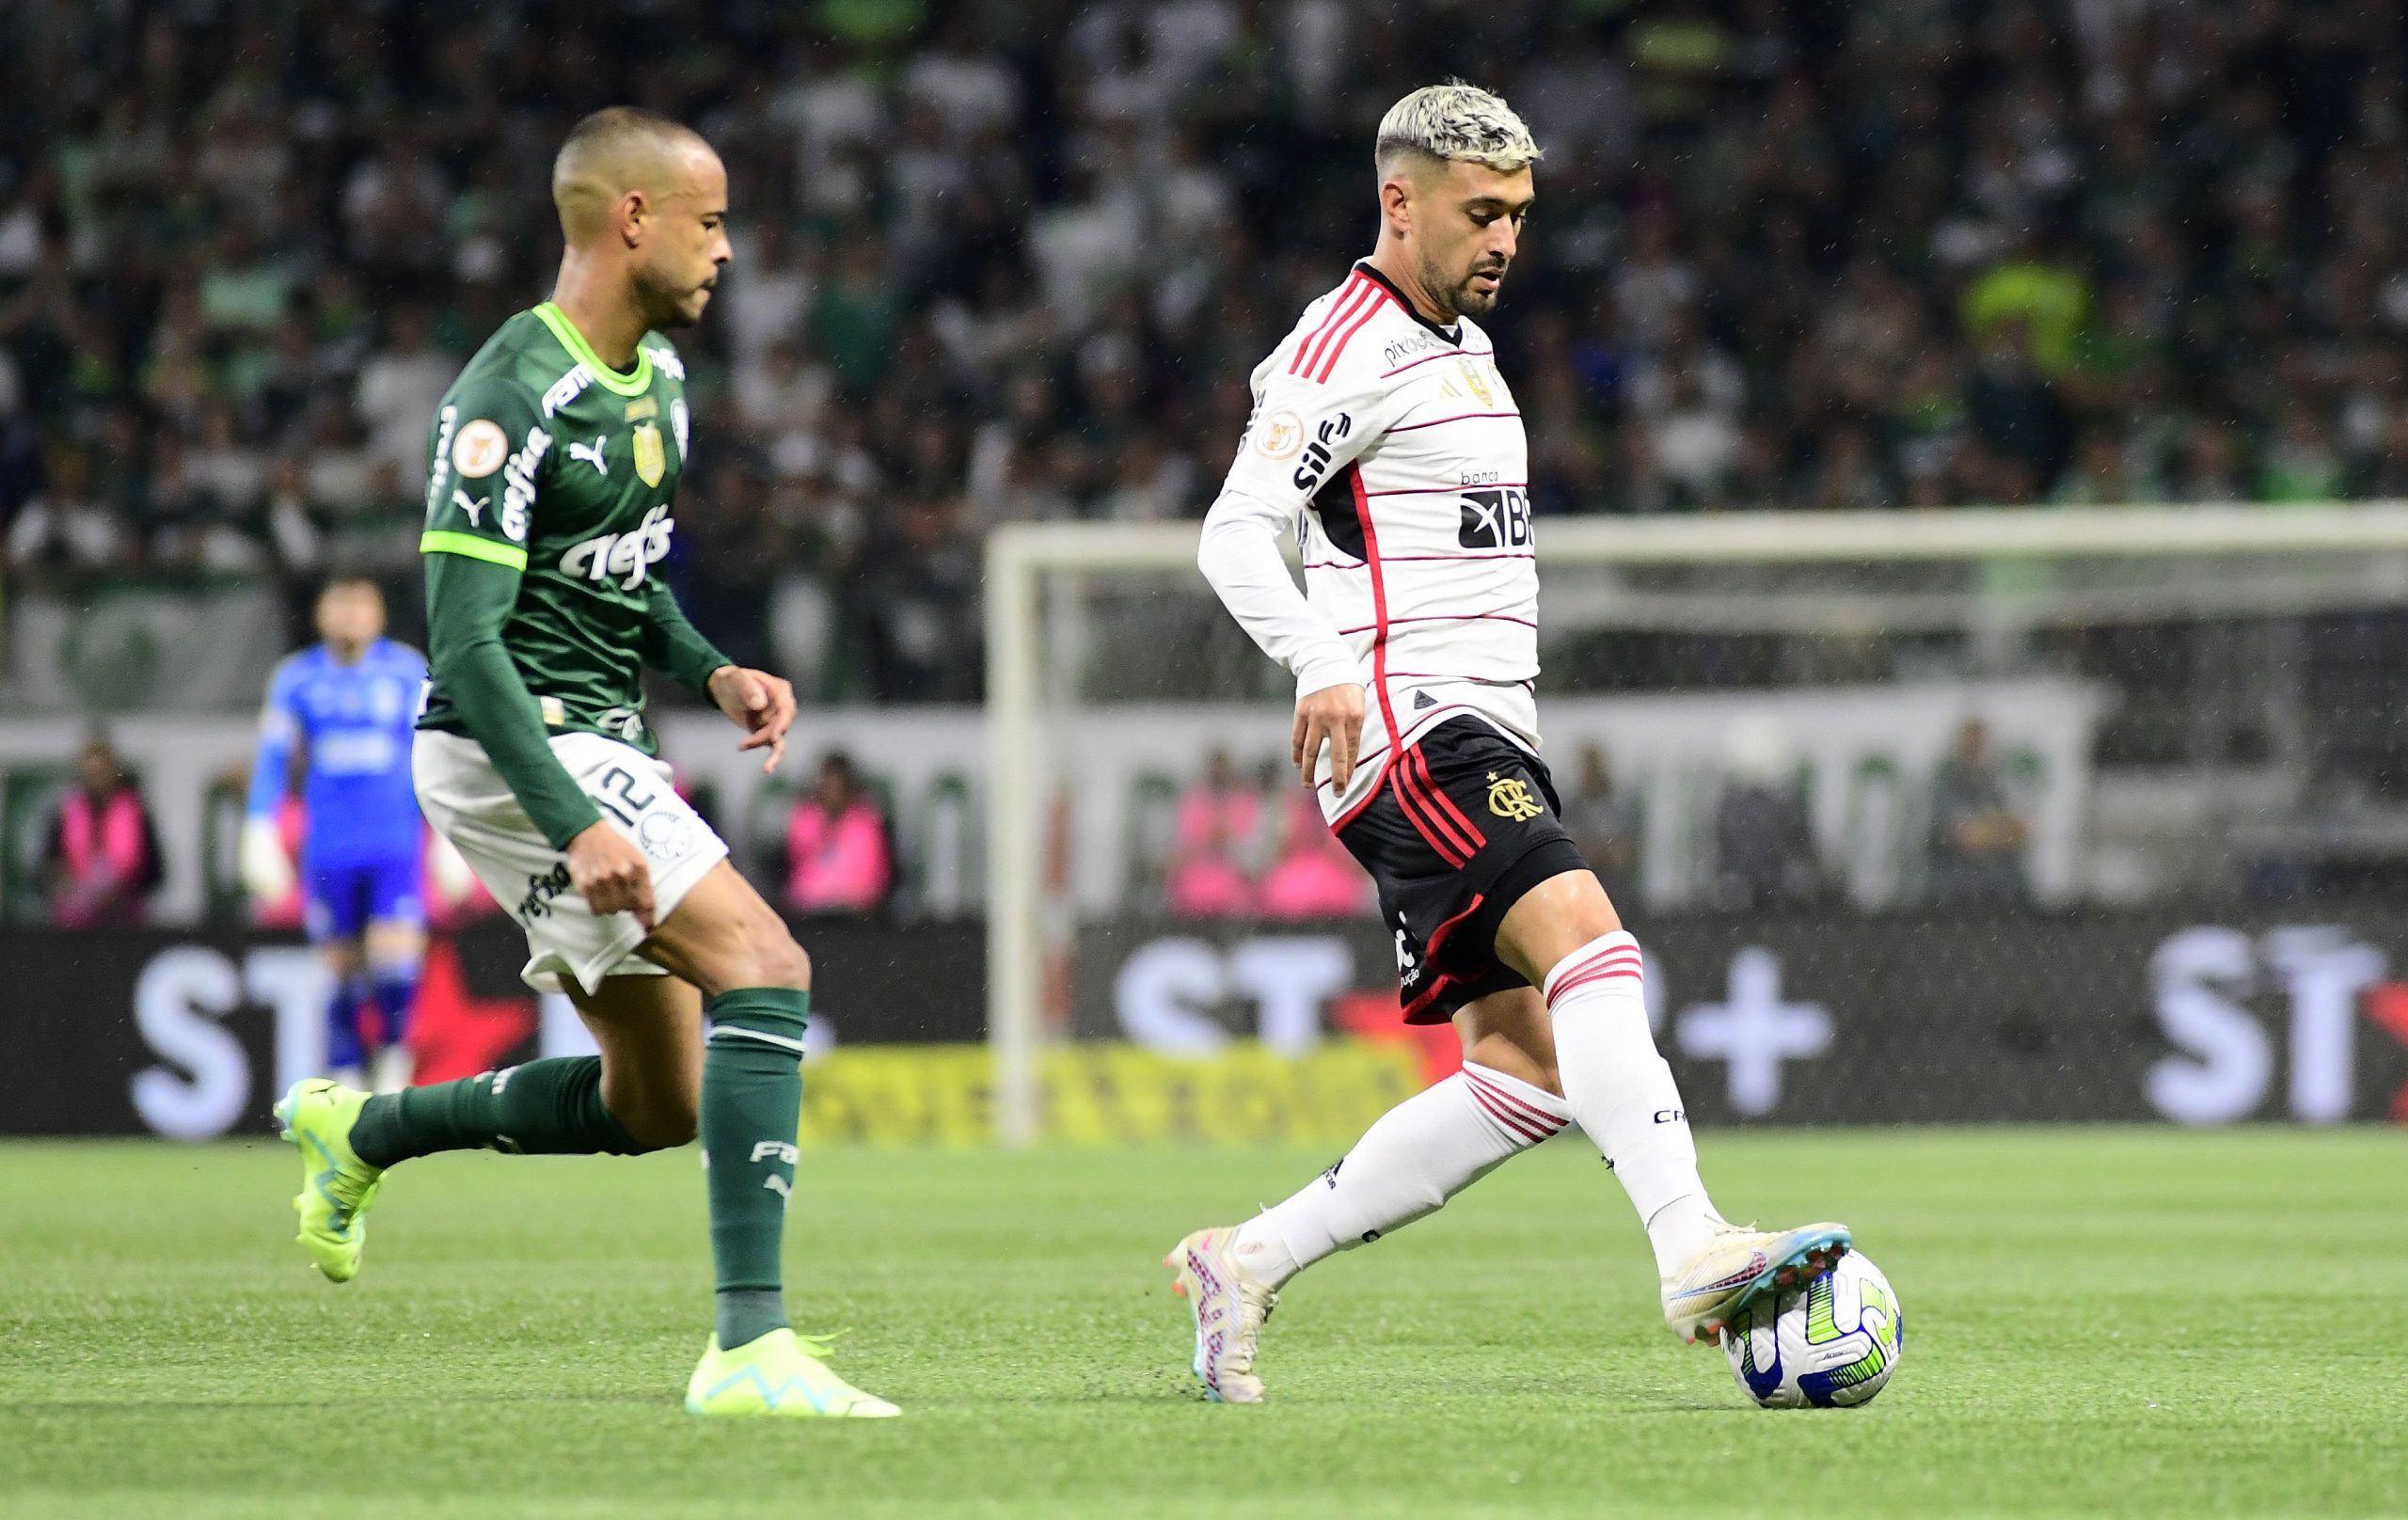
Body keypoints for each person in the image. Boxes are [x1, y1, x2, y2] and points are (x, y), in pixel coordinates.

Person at [1173, 83, 1848, 1404]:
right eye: (1480, 213)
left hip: (1478, 728)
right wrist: (1318, 659)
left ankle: (1242, 1261)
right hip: (1412, 725)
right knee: (1591, 942)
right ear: (1398, 202)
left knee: (1529, 1069)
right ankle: (1691, 1246)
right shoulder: (1341, 345)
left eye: (1521, 216)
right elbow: (1232, 526)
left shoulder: (1463, 346)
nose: (1505, 241)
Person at [270, 108, 895, 1419]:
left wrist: (712, 665)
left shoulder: (658, 378)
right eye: (711, 222)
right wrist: (574, 820)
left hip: (596, 735)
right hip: (514, 745)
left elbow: (623, 580)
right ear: (633, 220)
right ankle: (747, 1351)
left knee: (657, 1100)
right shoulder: (506, 397)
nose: (728, 251)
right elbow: (466, 641)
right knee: (767, 966)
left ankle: (363, 1133)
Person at [242, 578, 430, 1091]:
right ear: (321, 614)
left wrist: (452, 834)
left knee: (396, 960)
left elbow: (436, 754)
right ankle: (346, 1074)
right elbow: (274, 757)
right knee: (339, 968)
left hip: (395, 841)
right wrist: (259, 826)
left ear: (379, 614)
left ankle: (393, 1059)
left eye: (361, 605)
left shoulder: (407, 671)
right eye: (339, 606)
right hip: (329, 845)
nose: (350, 616)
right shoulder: (297, 679)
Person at [44, 735, 162, 927]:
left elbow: (155, 870)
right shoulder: (64, 811)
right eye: (92, 773)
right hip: (76, 908)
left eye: (102, 772)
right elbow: (48, 865)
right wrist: (64, 881)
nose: (97, 779)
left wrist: (125, 888)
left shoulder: (136, 811)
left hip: (126, 905)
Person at [1927, 718, 2030, 904]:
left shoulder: (1992, 783)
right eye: (1972, 743)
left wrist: (1988, 831)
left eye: (1981, 743)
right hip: (1958, 888)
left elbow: (2020, 830)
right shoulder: (1947, 783)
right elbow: (1966, 837)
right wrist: (1999, 830)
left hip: (2003, 887)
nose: (1976, 749)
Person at [782, 750, 893, 916]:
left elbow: (872, 878)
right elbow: (796, 868)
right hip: (809, 914)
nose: (833, 791)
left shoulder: (866, 822)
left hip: (855, 914)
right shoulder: (805, 818)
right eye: (828, 783)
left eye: (839, 784)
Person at [1164, 749, 1259, 917]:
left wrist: (1226, 837)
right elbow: (1182, 849)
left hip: (1233, 878)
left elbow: (1252, 851)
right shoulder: (1194, 803)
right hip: (1198, 877)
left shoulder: (1243, 802)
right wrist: (1208, 838)